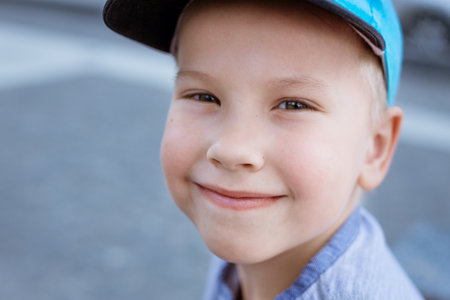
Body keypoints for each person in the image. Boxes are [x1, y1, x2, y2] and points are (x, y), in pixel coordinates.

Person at [103, 0, 423, 299]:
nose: (231, 149)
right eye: (203, 96)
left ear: (375, 147)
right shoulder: (249, 233)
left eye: (293, 104)